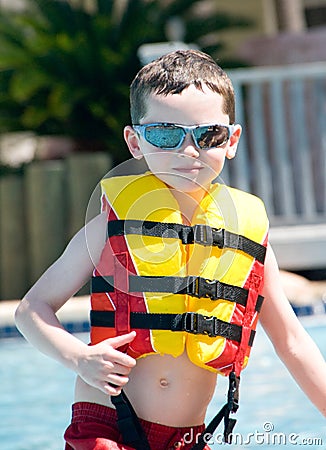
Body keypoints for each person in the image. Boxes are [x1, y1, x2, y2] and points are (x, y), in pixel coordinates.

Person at [15, 49, 326, 450]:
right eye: (165, 134)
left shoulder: (248, 237)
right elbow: (31, 311)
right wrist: (79, 358)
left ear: (231, 140)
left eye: (208, 135)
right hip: (108, 426)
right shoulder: (110, 227)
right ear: (135, 142)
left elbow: (294, 343)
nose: (189, 150)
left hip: (188, 439)